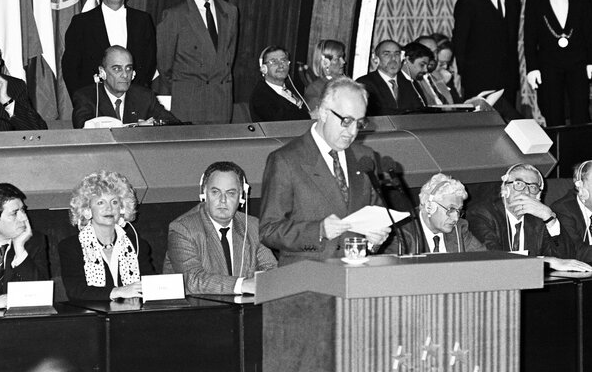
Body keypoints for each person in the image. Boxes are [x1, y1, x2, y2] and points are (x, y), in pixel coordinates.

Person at [259, 77, 391, 266]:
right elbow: (268, 231)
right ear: (323, 112)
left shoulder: (365, 157)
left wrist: (374, 240)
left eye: (360, 123)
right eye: (346, 121)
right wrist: (318, 231)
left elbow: (374, 216)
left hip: (356, 278)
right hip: (307, 280)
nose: (353, 132)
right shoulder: (285, 160)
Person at [163, 162, 277, 294]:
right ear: (204, 194)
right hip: (196, 311)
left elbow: (271, 270)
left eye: (231, 193)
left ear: (241, 197)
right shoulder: (182, 229)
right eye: (215, 192)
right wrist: (242, 285)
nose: (223, 200)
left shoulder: (253, 227)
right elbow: (192, 280)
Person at [156, 0, 238, 124]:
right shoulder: (174, 16)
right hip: (189, 103)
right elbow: (165, 67)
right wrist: (186, 88)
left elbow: (228, 57)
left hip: (221, 101)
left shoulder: (230, 12)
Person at [466, 163, 592, 272]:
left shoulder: (538, 218)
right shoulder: (481, 214)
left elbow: (565, 258)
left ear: (538, 196)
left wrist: (550, 218)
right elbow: (494, 259)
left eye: (533, 187)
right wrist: (546, 262)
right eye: (519, 184)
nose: (526, 192)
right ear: (505, 189)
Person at [523, 0, 592, 126]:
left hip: (578, 64)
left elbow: (589, 31)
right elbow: (529, 36)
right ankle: (556, 152)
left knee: (581, 112)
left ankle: (581, 152)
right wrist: (532, 68)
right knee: (553, 113)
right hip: (548, 65)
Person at [62, 0, 157, 97]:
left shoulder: (142, 21)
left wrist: (136, 99)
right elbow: (71, 70)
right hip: (93, 104)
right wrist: (84, 102)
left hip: (133, 103)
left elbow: (148, 65)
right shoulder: (81, 23)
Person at [58, 171, 155, 301]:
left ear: (122, 209)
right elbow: (76, 291)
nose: (109, 208)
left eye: (114, 202)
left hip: (133, 316)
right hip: (92, 318)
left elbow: (151, 286)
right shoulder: (71, 247)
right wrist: (118, 291)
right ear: (87, 211)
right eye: (100, 203)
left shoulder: (138, 245)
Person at [452, 0, 521, 106]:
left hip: (507, 82)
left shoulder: (513, 1)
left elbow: (511, 43)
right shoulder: (468, 2)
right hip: (477, 81)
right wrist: (467, 76)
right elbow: (459, 43)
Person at [71, 46, 179, 128]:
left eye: (128, 68)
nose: (125, 75)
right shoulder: (86, 97)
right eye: (117, 69)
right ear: (102, 72)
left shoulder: (145, 96)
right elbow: (82, 128)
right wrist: (135, 128)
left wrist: (153, 125)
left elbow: (174, 124)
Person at [385, 173, 485, 254]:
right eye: (451, 209)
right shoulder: (401, 232)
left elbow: (485, 261)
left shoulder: (459, 228)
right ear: (429, 207)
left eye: (459, 211)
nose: (456, 218)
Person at [356, 39, 423, 116]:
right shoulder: (364, 83)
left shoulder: (409, 84)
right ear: (376, 59)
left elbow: (419, 112)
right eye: (387, 54)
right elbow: (373, 113)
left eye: (397, 54)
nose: (393, 59)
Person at [249, 46, 310, 122]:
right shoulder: (261, 96)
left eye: (283, 60)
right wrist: (309, 116)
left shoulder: (290, 88)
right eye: (274, 61)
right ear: (264, 68)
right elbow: (282, 121)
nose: (281, 65)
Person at [304, 39, 347, 116]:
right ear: (325, 63)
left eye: (342, 57)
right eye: (337, 59)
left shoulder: (347, 82)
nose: (343, 62)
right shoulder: (315, 89)